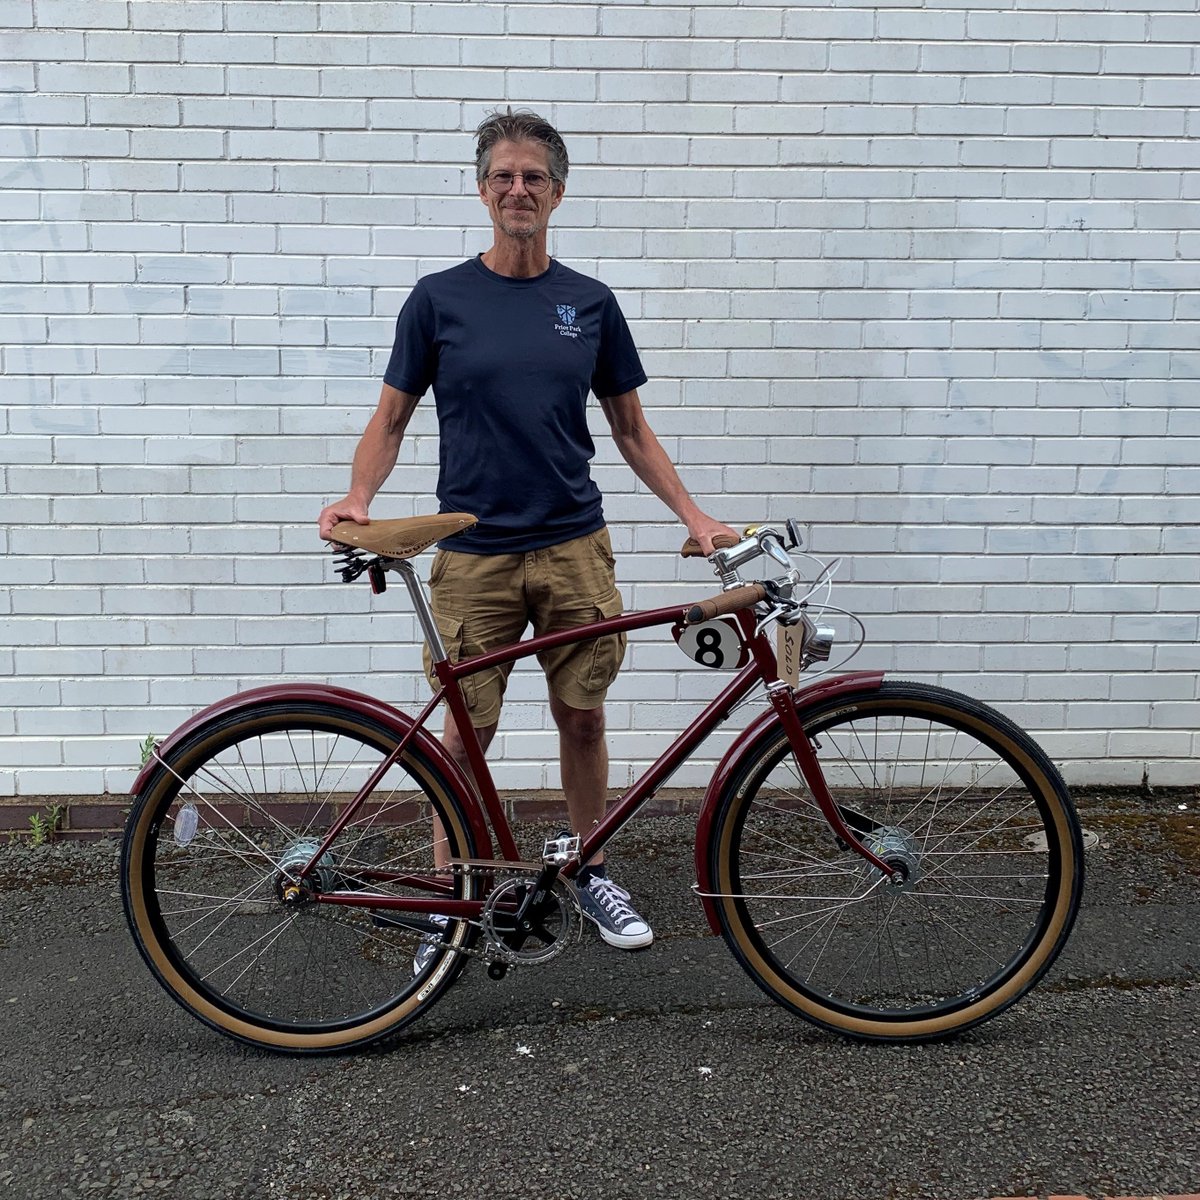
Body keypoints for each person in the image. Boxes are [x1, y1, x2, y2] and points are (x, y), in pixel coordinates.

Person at [318, 107, 735, 965]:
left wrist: (694, 517)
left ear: (558, 192)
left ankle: (589, 866)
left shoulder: (591, 303)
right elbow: (390, 419)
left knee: (582, 718)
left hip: (574, 545)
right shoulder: (438, 299)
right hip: (473, 555)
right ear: (482, 192)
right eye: (503, 176)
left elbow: (630, 429)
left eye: (533, 176)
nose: (518, 189)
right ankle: (453, 900)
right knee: (463, 736)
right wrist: (360, 495)